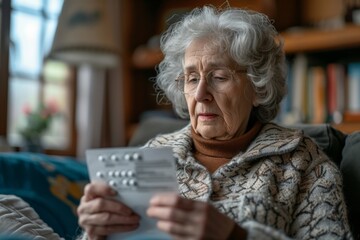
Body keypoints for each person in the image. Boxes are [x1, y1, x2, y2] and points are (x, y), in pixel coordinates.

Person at [76, 6, 353, 240]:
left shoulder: (303, 162)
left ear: (258, 86)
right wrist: (96, 233)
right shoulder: (152, 153)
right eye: (192, 78)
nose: (200, 94)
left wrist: (235, 235)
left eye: (219, 77)